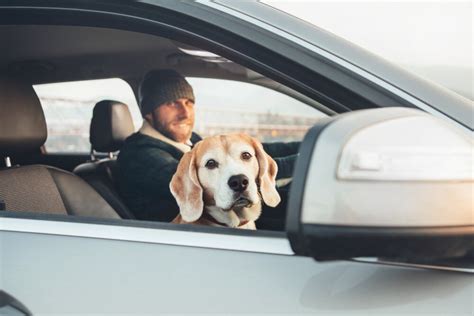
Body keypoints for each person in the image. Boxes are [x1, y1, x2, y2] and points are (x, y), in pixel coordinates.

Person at [117, 69, 299, 223]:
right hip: (194, 237)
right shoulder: (138, 155)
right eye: (172, 103)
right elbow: (202, 185)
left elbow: (259, 152)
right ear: (149, 111)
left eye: (188, 103)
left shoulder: (189, 141)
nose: (184, 113)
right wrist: (306, 162)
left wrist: (306, 146)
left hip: (231, 219)